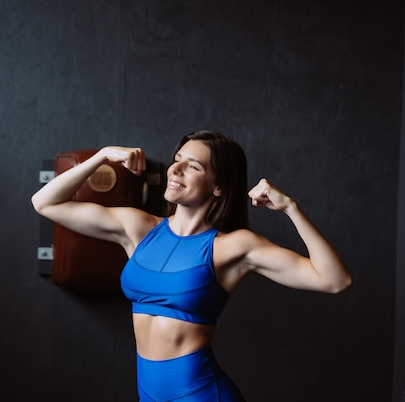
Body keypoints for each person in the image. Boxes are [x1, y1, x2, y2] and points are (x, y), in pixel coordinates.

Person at [31, 130, 352, 402]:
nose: (176, 169)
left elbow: (335, 280)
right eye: (177, 160)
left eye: (193, 165)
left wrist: (290, 209)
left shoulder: (233, 247)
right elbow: (45, 202)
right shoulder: (138, 228)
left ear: (218, 186)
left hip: (200, 394)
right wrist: (102, 156)